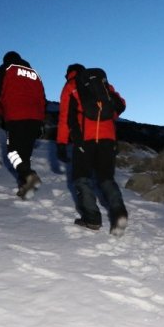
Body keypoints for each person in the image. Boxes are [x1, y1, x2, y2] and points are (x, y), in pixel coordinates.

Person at [58, 65, 128, 236]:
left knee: (82, 179)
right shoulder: (102, 83)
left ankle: (92, 219)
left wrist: (61, 143)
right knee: (106, 178)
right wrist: (104, 120)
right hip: (108, 138)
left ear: (69, 74)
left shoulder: (71, 86)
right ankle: (119, 213)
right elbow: (120, 104)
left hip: (85, 139)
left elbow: (65, 117)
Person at [0, 51, 46, 199]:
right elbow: (42, 97)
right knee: (24, 154)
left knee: (13, 153)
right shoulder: (34, 73)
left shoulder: (7, 68)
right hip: (35, 118)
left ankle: (28, 175)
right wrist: (41, 121)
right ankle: (24, 185)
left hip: (16, 115)